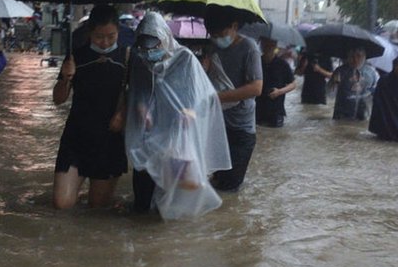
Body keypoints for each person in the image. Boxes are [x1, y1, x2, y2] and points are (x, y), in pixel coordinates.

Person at [125, 12, 231, 218]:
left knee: (174, 192)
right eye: (143, 49)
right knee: (142, 198)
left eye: (153, 48)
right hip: (149, 134)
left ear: (164, 39)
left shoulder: (185, 60)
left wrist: (191, 111)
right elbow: (138, 91)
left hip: (176, 134)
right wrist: (140, 107)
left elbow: (202, 94)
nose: (148, 53)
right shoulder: (140, 60)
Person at [52, 5, 128, 209]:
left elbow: (136, 96)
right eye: (98, 36)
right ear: (89, 33)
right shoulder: (76, 57)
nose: (104, 42)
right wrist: (66, 79)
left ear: (118, 32)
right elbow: (58, 99)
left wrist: (123, 114)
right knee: (62, 204)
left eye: (111, 36)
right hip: (76, 136)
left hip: (109, 139)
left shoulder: (127, 58)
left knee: (97, 209)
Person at [203, 11, 263, 192]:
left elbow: (256, 88)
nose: (217, 39)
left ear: (234, 27)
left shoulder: (249, 48)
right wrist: (204, 70)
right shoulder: (212, 48)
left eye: (221, 35)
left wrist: (219, 97)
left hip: (241, 129)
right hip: (218, 125)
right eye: (212, 35)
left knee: (230, 187)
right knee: (215, 181)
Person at [256, 37, 297, 127]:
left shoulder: (282, 64)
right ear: (262, 45)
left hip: (276, 110)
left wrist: (279, 92)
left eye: (270, 45)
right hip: (258, 108)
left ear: (275, 46)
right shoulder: (256, 62)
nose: (268, 47)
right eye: (265, 45)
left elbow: (293, 84)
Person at [330, 48, 378, 121]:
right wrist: (334, 83)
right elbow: (330, 94)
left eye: (359, 56)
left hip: (363, 114)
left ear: (364, 57)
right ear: (348, 57)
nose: (355, 59)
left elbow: (377, 91)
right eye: (352, 56)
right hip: (342, 114)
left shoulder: (372, 72)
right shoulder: (340, 71)